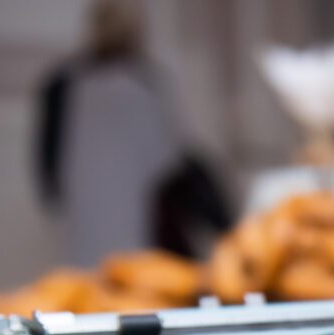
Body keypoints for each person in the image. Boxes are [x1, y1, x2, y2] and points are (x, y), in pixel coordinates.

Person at [35, 0, 226, 265]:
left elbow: (49, 170)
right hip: (116, 214)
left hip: (111, 216)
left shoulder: (66, 85)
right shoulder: (142, 82)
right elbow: (171, 161)